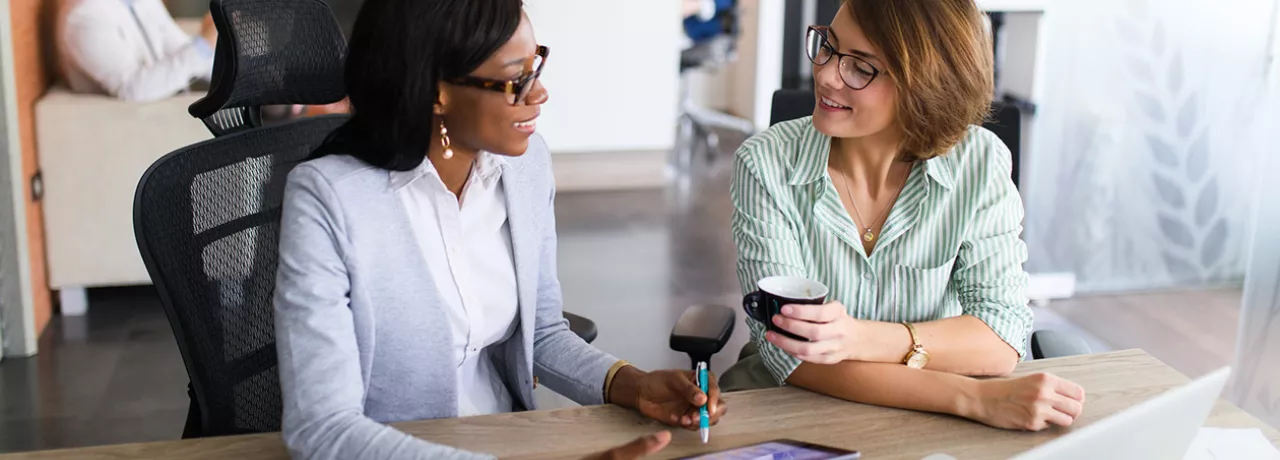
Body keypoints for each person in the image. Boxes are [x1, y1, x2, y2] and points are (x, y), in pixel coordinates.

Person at [273, 0, 725, 459]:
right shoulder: (330, 198)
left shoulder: (524, 166)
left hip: (509, 440)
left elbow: (541, 332)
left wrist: (632, 384)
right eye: (518, 78)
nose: (540, 93)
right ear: (436, 92)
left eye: (537, 65)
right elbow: (323, 429)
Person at [724, 0, 1087, 432]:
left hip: (928, 426)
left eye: (860, 67)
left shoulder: (980, 162)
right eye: (828, 46)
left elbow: (999, 337)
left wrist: (856, 338)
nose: (824, 74)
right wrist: (970, 396)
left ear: (926, 85)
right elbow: (790, 354)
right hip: (791, 413)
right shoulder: (765, 162)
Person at [55, 0, 216, 102]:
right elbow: (133, 89)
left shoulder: (140, 2)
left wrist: (223, 42)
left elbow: (180, 48)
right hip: (136, 124)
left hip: (169, 107)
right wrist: (205, 44)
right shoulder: (85, 15)